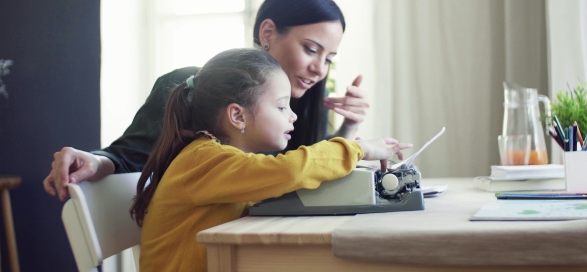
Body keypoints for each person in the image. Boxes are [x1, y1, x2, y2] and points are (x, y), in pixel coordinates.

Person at [44, 0, 373, 201]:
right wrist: (97, 162)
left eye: (329, 58)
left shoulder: (300, 111)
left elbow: (313, 177)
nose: (320, 68)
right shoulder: (190, 89)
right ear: (268, 32)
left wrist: (349, 129)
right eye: (311, 49)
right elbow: (131, 158)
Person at [131, 48, 411, 271]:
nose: (293, 116)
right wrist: (355, 149)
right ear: (237, 116)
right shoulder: (203, 158)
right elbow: (289, 170)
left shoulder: (218, 158)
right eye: (281, 106)